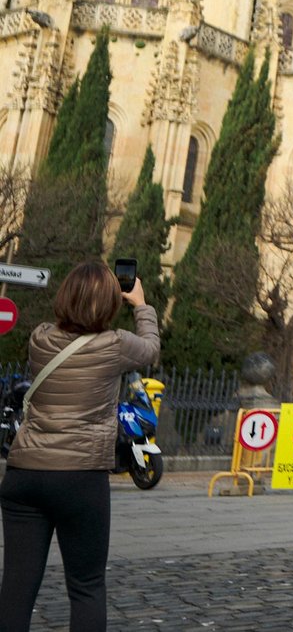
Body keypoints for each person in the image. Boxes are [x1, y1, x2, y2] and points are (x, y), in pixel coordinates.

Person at [0, 261, 159, 632]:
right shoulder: (115, 344)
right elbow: (151, 348)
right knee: (86, 587)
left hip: (25, 474)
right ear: (109, 304)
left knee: (17, 586)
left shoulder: (39, 337)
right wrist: (141, 305)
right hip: (80, 478)